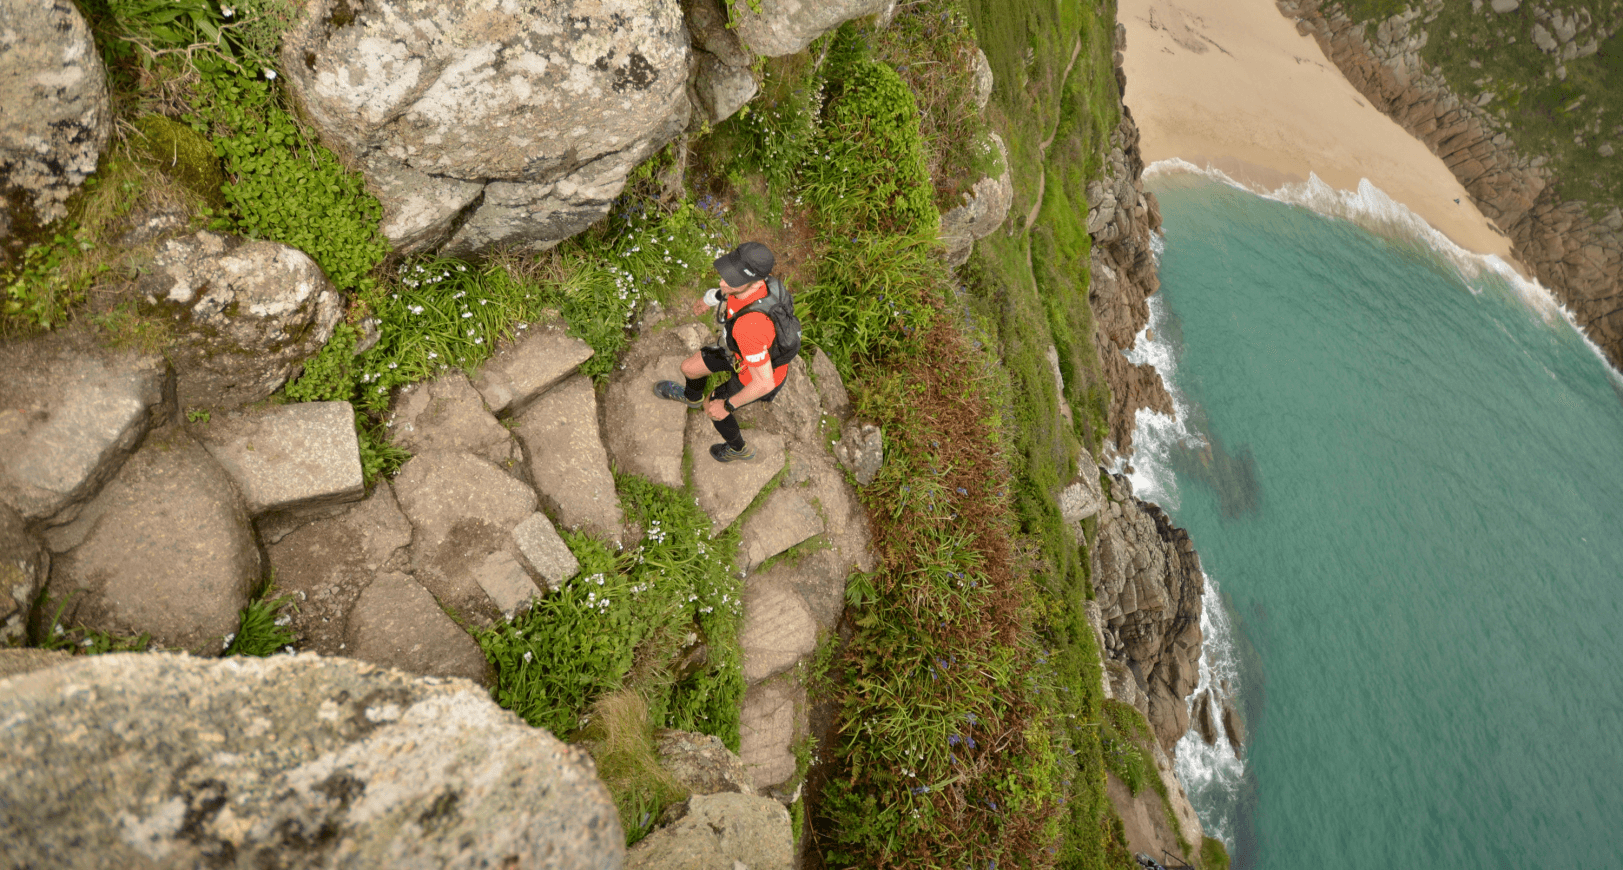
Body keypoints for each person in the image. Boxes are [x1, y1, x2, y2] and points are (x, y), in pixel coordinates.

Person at [655, 241, 788, 463]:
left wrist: (728, 405)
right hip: (736, 352)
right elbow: (729, 292)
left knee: (713, 408)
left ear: (755, 283)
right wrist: (709, 299)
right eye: (727, 273)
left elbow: (764, 383)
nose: (722, 281)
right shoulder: (763, 285)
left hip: (753, 374)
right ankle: (692, 398)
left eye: (732, 280)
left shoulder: (751, 327)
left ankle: (739, 449)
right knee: (689, 368)